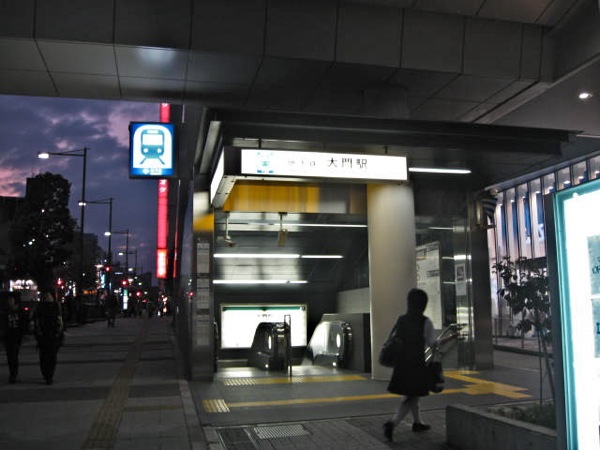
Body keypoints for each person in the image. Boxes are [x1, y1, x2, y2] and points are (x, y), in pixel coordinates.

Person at [383, 288, 437, 441]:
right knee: (411, 397)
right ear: (424, 304)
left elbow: (393, 338)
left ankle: (417, 423)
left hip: (401, 364)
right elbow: (432, 343)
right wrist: (449, 338)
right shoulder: (425, 322)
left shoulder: (401, 319)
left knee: (413, 395)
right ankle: (392, 423)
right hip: (416, 365)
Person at [33, 291, 64, 385]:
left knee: (51, 356)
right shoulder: (41, 307)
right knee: (45, 356)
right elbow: (36, 321)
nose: (47, 297)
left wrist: (59, 332)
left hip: (52, 334)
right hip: (44, 335)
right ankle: (46, 374)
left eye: (48, 296)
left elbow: (60, 320)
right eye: (46, 296)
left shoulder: (55, 306)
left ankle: (49, 375)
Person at [3, 296, 29, 384]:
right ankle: (13, 374)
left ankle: (13, 374)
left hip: (16, 336)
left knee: (14, 355)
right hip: (8, 336)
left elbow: (24, 322)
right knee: (11, 356)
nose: (10, 303)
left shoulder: (19, 312)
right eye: (9, 301)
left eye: (11, 301)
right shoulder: (5, 312)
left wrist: (23, 333)